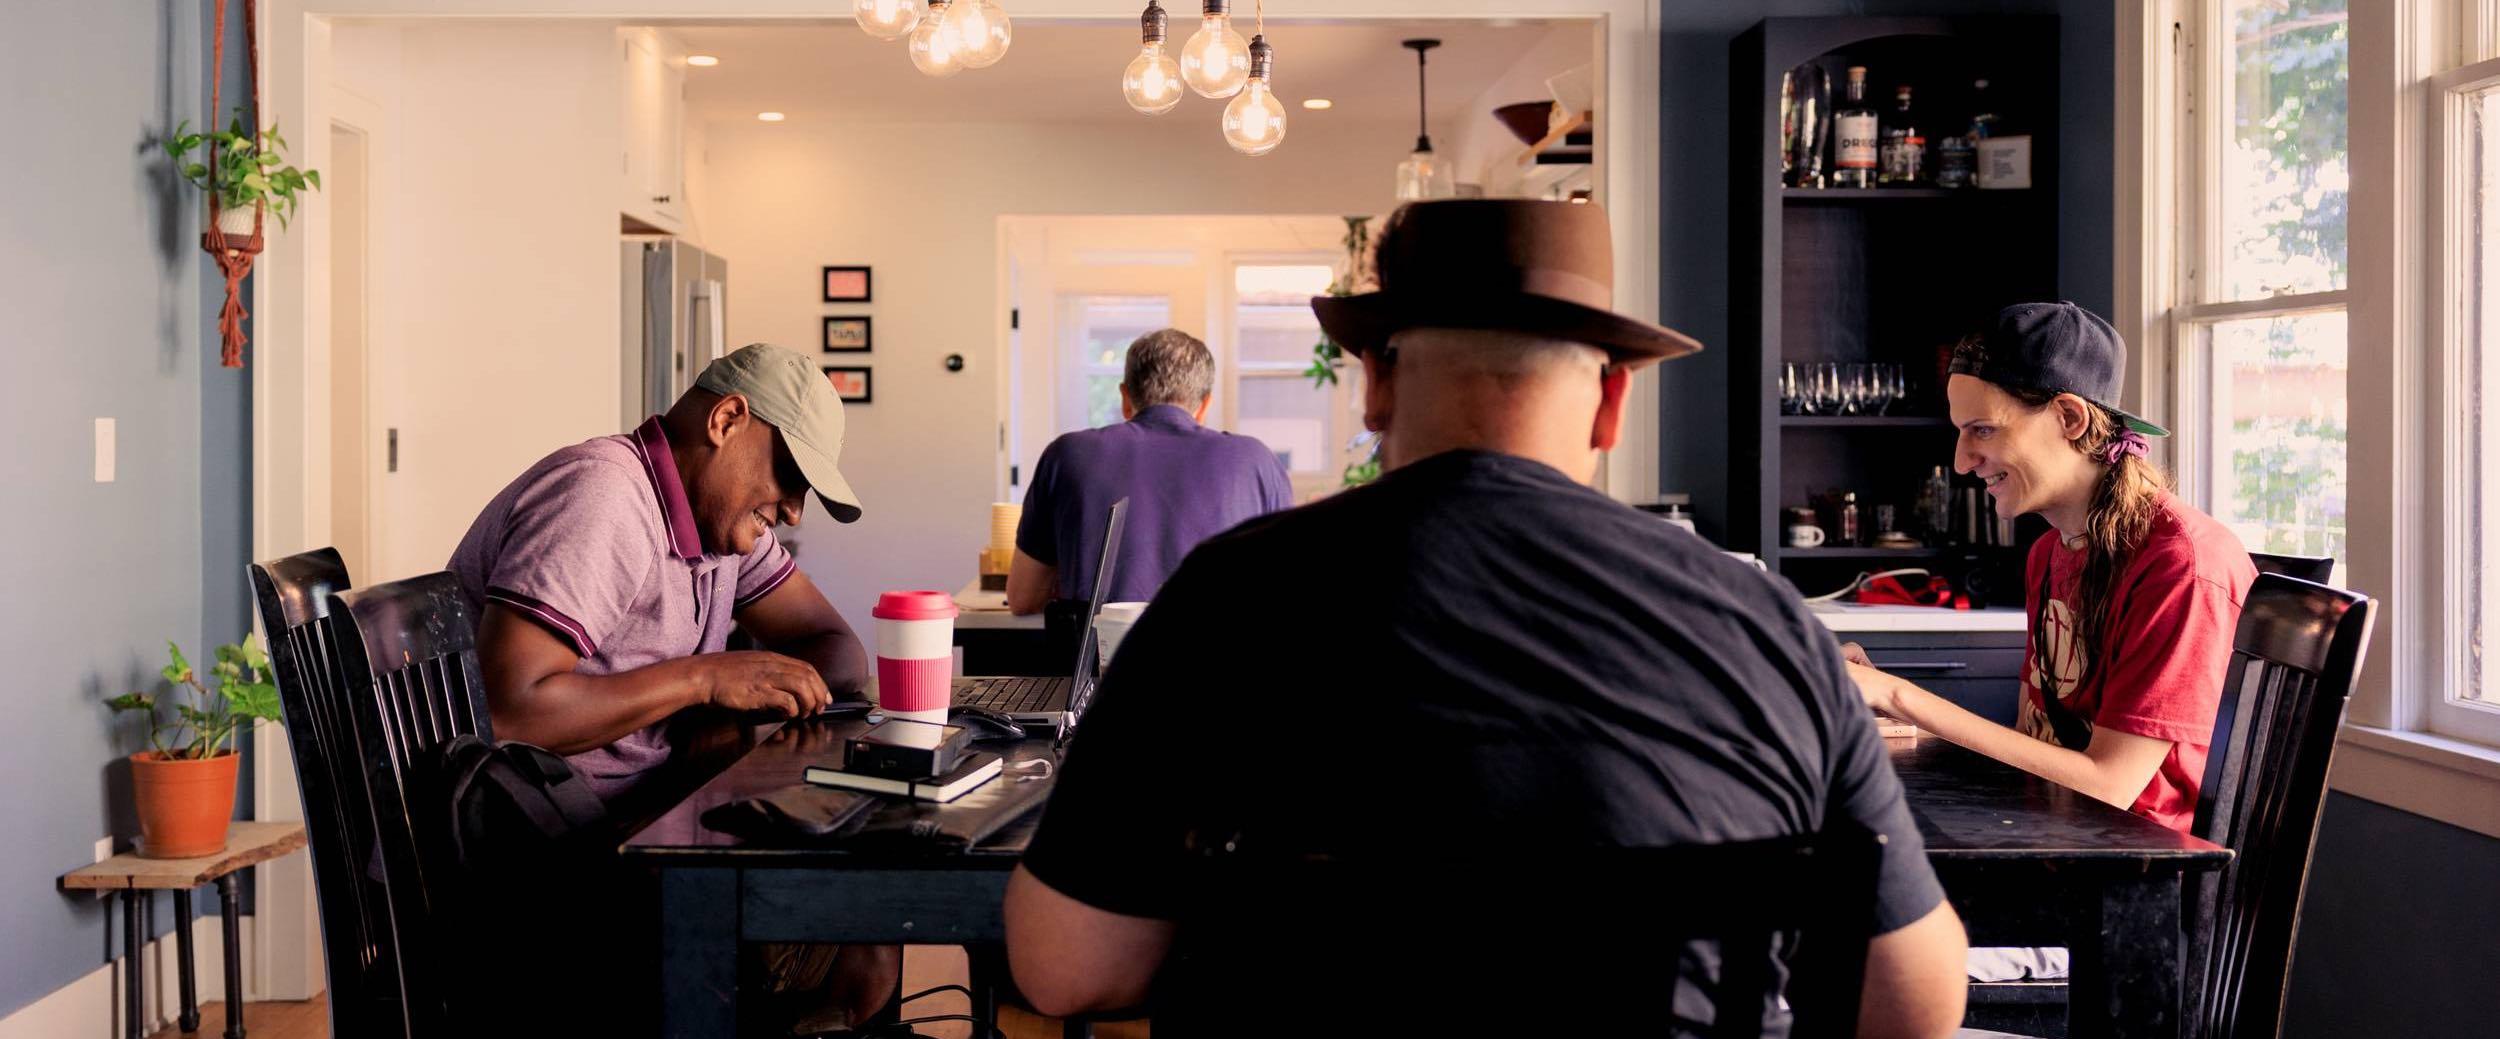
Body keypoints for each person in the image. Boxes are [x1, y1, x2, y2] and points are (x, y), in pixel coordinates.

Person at [1002, 200, 1969, 1037]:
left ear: (1376, 383)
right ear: (1612, 406)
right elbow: (1915, 1004)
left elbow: (1067, 967)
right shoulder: (1767, 623)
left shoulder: (1226, 597)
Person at [447, 342, 894, 1031]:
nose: (797, 510)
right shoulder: (603, 497)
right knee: (851, 922)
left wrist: (721, 714)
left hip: (623, 832)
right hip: (540, 869)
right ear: (727, 420)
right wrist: (702, 680)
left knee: (862, 916)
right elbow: (509, 709)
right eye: (791, 473)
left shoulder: (714, 530)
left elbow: (834, 646)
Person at [1840, 302, 2256, 983]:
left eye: (1982, 430)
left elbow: (2111, 784)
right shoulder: (2050, 553)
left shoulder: (2183, 560)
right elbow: (2049, 745)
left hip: (2113, 915)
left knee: (1843, 954)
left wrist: (1900, 693)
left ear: (2069, 418)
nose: (1961, 459)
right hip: (2046, 866)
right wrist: (1895, 712)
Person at [1005, 328, 1292, 615]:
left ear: (1125, 398)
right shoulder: (1258, 462)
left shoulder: (1066, 455)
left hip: (1105, 659)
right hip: (1219, 659)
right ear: (1205, 405)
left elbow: (1023, 598)